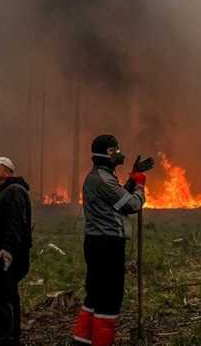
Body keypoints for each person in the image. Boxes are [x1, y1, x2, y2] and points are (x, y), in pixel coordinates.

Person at [72, 135, 153, 346]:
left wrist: (132, 178)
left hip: (97, 243)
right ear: (108, 152)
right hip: (108, 245)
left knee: (94, 296)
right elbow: (132, 205)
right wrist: (140, 186)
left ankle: (81, 341)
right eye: (116, 149)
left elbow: (116, 202)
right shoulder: (103, 179)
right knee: (109, 299)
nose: (120, 153)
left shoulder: (100, 177)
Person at [0, 156, 32, 346]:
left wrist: (8, 250)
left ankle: (7, 339)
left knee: (3, 298)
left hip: (6, 257)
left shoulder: (14, 191)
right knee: (4, 296)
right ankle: (9, 336)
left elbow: (15, 223)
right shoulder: (6, 191)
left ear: (8, 171)